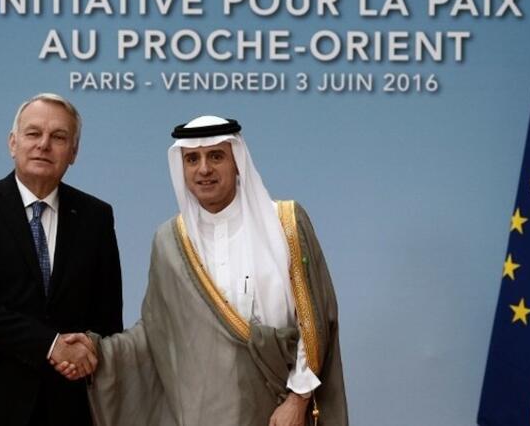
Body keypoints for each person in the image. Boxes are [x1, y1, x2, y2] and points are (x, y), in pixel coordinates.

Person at [62, 116, 347, 426]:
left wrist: (297, 400)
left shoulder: (285, 223)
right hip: (205, 412)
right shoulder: (170, 240)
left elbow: (316, 319)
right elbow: (155, 333)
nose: (204, 169)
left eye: (216, 156)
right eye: (192, 159)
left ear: (237, 162)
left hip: (279, 409)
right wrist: (97, 351)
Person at [0, 93, 123, 426]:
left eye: (59, 137)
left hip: (68, 404)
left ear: (74, 152)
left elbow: (107, 318)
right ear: (13, 143)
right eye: (33, 133)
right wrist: (51, 345)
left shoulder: (96, 216)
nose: (44, 145)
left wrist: (87, 350)